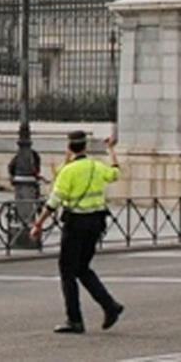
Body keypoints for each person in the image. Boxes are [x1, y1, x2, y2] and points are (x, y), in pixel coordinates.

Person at [30, 131, 125, 335]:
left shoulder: (68, 171)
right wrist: (111, 149)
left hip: (76, 224)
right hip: (96, 223)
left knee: (67, 270)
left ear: (69, 147)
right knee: (82, 268)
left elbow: (54, 201)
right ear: (85, 146)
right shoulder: (96, 166)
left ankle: (75, 320)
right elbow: (116, 173)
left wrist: (38, 223)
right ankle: (110, 306)